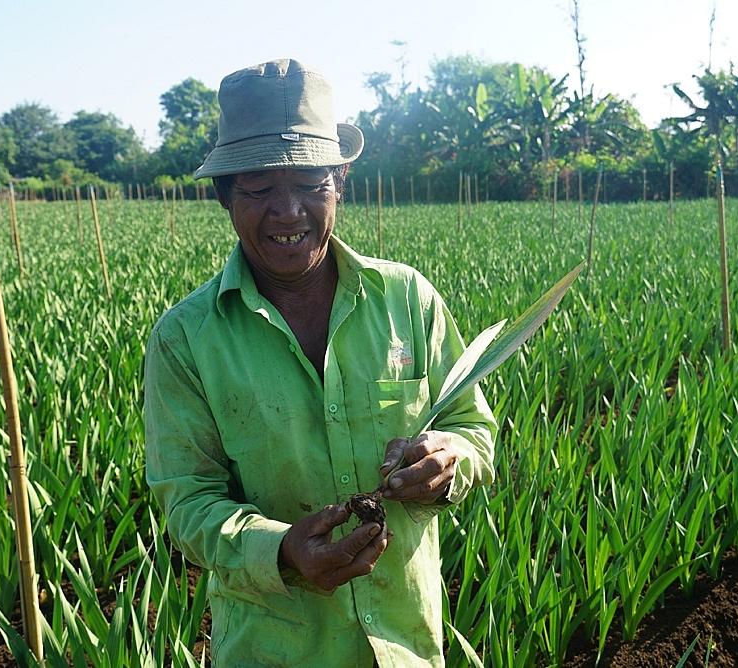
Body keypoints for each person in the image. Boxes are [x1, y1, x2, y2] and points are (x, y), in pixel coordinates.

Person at [144, 59, 496, 668]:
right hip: (273, 648)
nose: (288, 211)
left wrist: (450, 459)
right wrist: (280, 550)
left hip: (406, 642)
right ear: (225, 196)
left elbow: (474, 429)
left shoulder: (407, 299)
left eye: (311, 182)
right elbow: (188, 500)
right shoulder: (186, 338)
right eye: (258, 188)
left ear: (340, 183)